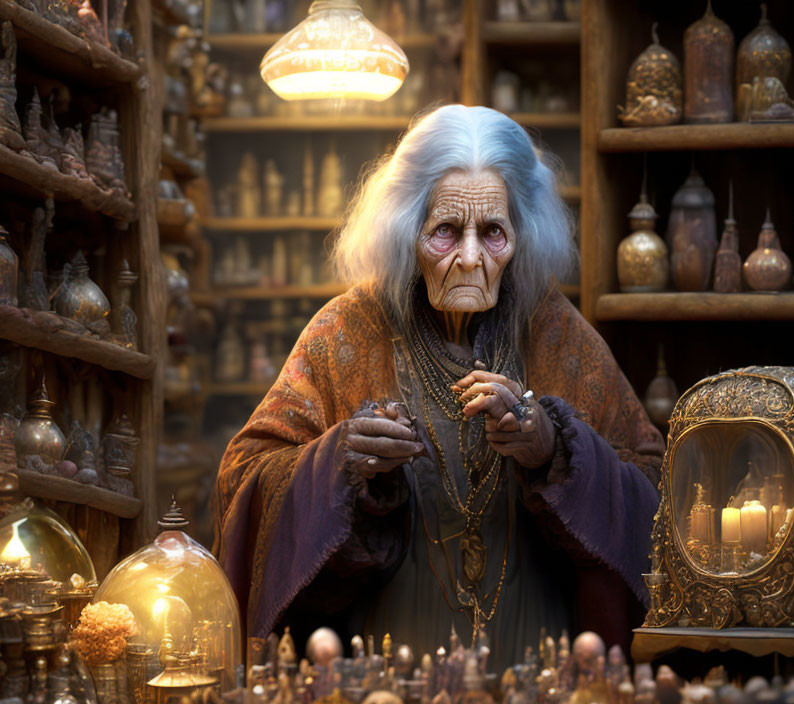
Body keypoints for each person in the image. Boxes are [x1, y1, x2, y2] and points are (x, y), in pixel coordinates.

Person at [214, 105, 664, 669]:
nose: (470, 257)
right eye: (446, 231)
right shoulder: (346, 328)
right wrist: (339, 462)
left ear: (522, 237)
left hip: (538, 666)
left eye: (493, 233)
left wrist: (555, 449)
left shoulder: (555, 332)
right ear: (408, 232)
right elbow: (244, 475)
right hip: (386, 669)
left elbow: (653, 488)